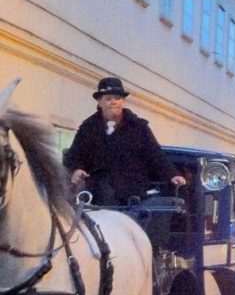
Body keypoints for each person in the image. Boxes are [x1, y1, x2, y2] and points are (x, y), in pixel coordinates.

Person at [63, 76, 186, 205]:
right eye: (108, 98)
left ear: (122, 101)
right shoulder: (88, 127)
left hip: (132, 194)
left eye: (117, 98)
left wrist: (172, 175)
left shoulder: (138, 127)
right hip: (98, 195)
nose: (113, 102)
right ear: (99, 102)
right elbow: (74, 156)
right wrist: (77, 170)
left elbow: (155, 154)